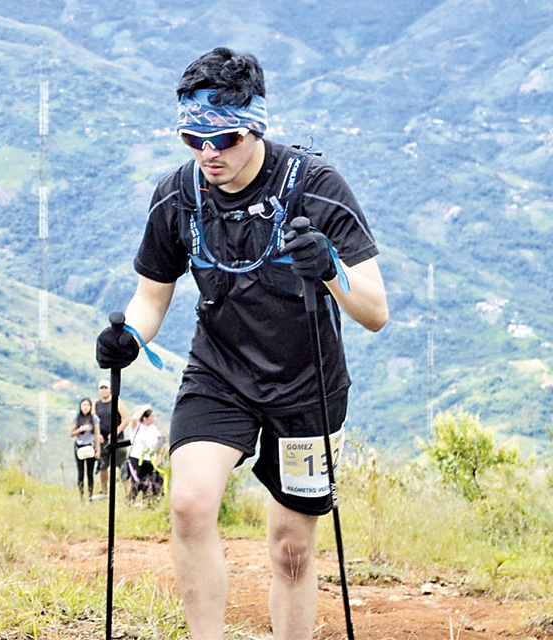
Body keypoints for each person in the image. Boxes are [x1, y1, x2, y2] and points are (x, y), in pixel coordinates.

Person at [95, 48, 387, 640]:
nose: (209, 154)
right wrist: (128, 336)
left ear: (256, 125)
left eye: (223, 138)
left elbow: (375, 311)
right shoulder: (178, 195)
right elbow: (151, 297)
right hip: (220, 372)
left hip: (307, 386)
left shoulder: (315, 187)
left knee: (291, 553)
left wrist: (329, 266)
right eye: (193, 140)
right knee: (189, 504)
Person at [94, 380, 129, 498]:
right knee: (103, 466)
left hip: (117, 440)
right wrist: (97, 434)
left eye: (106, 388)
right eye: (101, 388)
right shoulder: (96, 405)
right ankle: (104, 491)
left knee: (122, 465)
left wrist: (115, 432)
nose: (104, 390)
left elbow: (126, 419)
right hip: (103, 440)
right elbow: (94, 422)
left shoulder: (117, 402)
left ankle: (128, 493)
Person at [124, 405, 164, 503]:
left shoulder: (154, 429)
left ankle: (148, 502)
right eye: (151, 417)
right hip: (136, 457)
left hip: (150, 459)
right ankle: (130, 501)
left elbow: (160, 444)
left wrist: (159, 457)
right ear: (145, 418)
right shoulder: (136, 427)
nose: (153, 419)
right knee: (138, 482)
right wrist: (144, 408)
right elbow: (133, 418)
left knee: (150, 481)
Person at [69, 397, 101, 502]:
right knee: (81, 473)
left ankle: (90, 496)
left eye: (88, 405)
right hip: (79, 446)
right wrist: (80, 429)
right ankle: (81, 496)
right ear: (80, 406)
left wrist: (98, 450)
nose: (86, 407)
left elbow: (97, 434)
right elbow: (71, 433)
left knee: (90, 473)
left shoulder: (94, 418)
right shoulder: (76, 418)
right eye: (84, 405)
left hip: (90, 446)